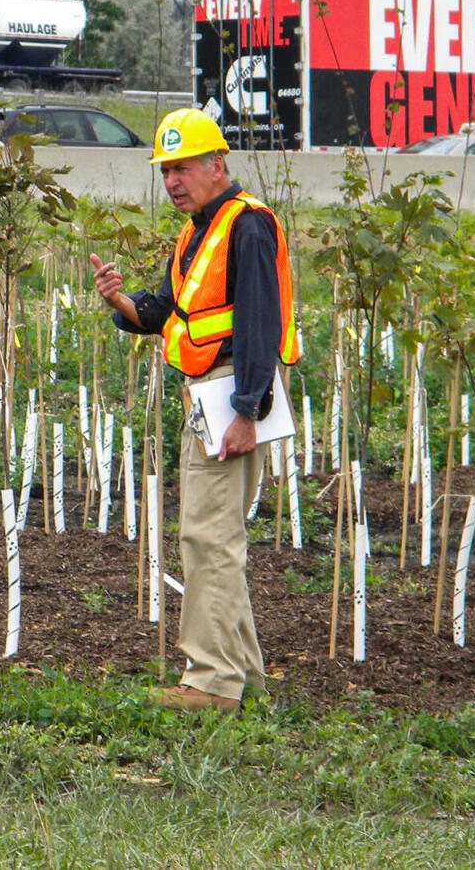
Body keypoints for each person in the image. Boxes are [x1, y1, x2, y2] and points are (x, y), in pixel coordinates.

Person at [90, 108, 299, 712]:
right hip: (213, 392)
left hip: (232, 392)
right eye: (165, 171)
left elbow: (261, 322)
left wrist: (246, 411)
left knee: (208, 538)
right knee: (216, 537)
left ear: (217, 164)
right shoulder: (196, 231)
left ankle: (210, 684)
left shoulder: (247, 225)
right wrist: (121, 301)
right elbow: (164, 313)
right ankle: (244, 679)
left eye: (182, 168)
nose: (173, 181)